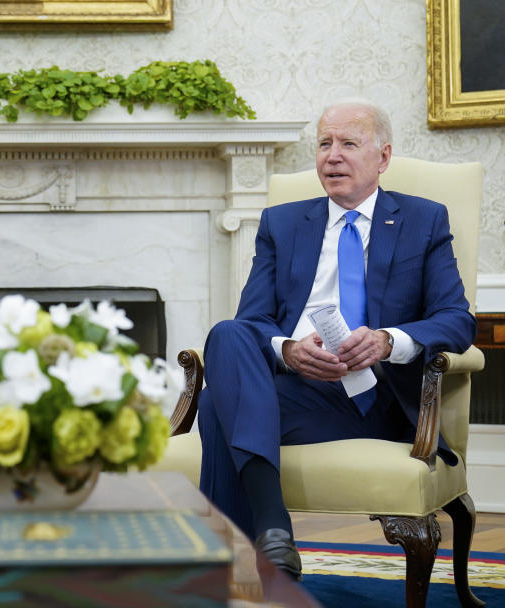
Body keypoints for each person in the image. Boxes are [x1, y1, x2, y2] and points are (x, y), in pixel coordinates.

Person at [197, 99, 475, 580]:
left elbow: (456, 319)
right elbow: (255, 320)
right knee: (227, 333)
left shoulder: (423, 220)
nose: (333, 155)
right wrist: (287, 350)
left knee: (213, 407)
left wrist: (390, 340)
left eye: (349, 143)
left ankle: (239, 562)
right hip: (302, 390)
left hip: (379, 396)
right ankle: (273, 530)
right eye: (324, 143)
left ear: (383, 157)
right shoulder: (283, 224)